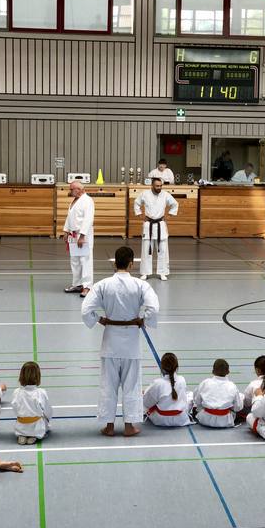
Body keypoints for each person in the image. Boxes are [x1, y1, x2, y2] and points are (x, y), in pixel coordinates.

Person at [82, 246, 160, 437]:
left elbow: (85, 310)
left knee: (108, 385)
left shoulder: (103, 285)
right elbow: (154, 308)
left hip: (110, 341)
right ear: (132, 264)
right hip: (131, 343)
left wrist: (99, 319)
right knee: (131, 385)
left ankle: (109, 426)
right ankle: (129, 426)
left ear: (115, 263)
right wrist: (143, 319)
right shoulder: (140, 285)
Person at [134, 177, 178, 281]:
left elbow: (175, 204)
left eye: (160, 186)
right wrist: (140, 214)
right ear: (152, 185)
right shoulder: (145, 194)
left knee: (162, 250)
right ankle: (145, 273)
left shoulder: (165, 194)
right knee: (146, 250)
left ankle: (162, 272)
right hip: (148, 224)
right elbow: (137, 203)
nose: (159, 188)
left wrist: (169, 215)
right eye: (157, 186)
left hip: (160, 224)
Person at [62, 180, 95, 297]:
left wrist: (82, 236)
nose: (70, 191)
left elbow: (88, 219)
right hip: (73, 235)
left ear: (79, 189)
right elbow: (69, 217)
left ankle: (87, 287)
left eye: (72, 189)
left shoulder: (87, 201)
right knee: (75, 260)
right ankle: (77, 284)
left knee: (85, 260)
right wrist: (66, 230)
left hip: (83, 235)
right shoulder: (75, 201)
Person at [143, 353, 193, 427]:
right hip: (180, 419)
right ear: (177, 367)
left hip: (160, 419)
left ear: (162, 368)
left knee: (144, 399)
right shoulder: (182, 379)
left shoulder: (157, 383)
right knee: (190, 395)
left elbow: (147, 403)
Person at [193, 359, 243, 429]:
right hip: (225, 421)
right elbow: (237, 408)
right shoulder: (232, 386)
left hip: (205, 419)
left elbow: (197, 401)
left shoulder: (205, 383)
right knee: (241, 397)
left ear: (213, 371)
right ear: (228, 372)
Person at [11, 361, 52, 445]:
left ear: (21, 376)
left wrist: (22, 414)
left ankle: (22, 435)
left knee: (22, 422)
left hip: (21, 425)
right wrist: (48, 420)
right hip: (36, 427)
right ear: (38, 376)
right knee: (44, 419)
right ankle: (34, 436)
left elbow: (15, 409)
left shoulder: (17, 392)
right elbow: (48, 411)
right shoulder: (41, 392)